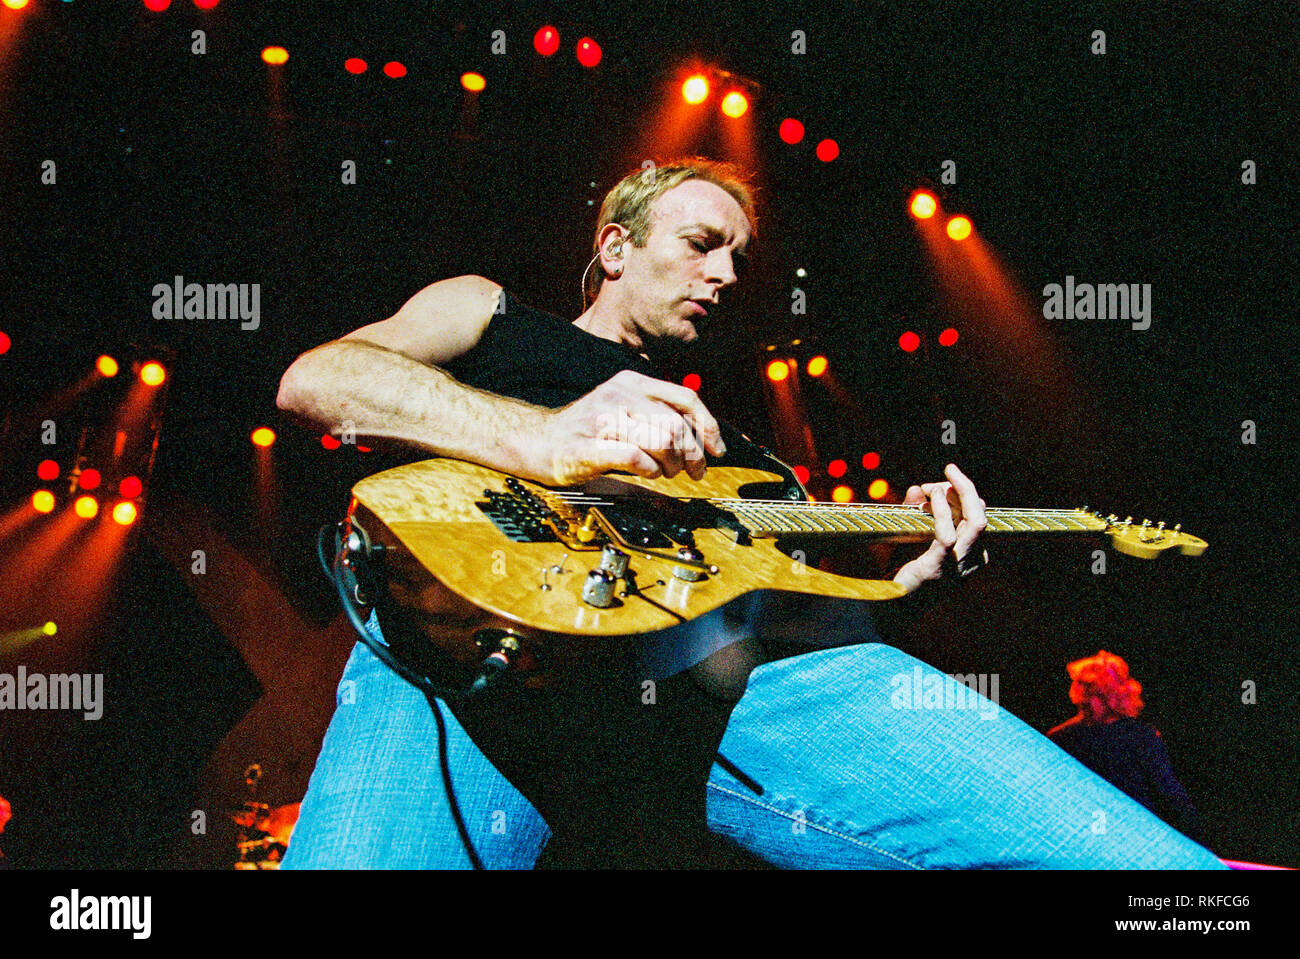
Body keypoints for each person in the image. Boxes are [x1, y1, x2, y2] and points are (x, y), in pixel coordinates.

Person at [276, 158, 1223, 868]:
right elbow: (319, 378)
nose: (726, 274)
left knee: (1149, 872)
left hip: (701, 695)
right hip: (461, 655)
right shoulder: (492, 316)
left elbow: (789, 617)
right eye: (700, 244)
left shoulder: (741, 453)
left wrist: (915, 574)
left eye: (737, 256)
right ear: (614, 247)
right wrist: (542, 438)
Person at [1048, 650, 1207, 845]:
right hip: (1129, 842)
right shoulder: (1063, 738)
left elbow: (1171, 795)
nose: (1091, 700)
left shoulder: (1139, 735)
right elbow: (1171, 796)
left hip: (1102, 841)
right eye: (1089, 691)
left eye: (1096, 692)